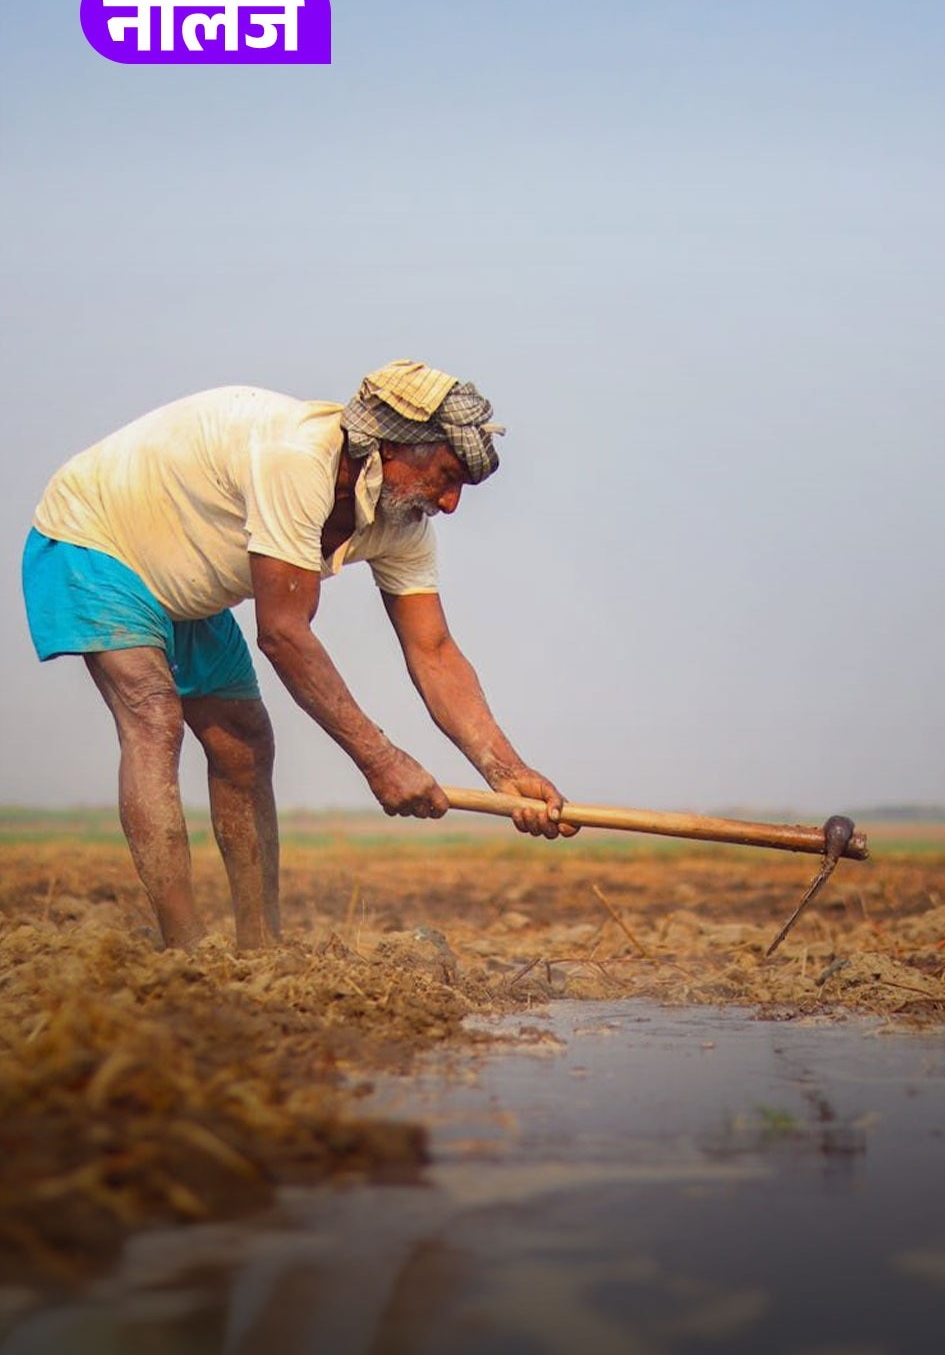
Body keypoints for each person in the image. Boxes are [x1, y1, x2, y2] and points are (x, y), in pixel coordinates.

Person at [22, 360, 575, 950]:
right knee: (155, 717)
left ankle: (260, 951)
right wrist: (381, 759)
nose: (451, 502)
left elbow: (433, 650)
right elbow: (283, 634)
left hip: (182, 577)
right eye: (446, 476)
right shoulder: (296, 461)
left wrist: (507, 773)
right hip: (96, 537)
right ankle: (184, 953)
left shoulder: (402, 523)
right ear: (391, 446)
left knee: (244, 741)